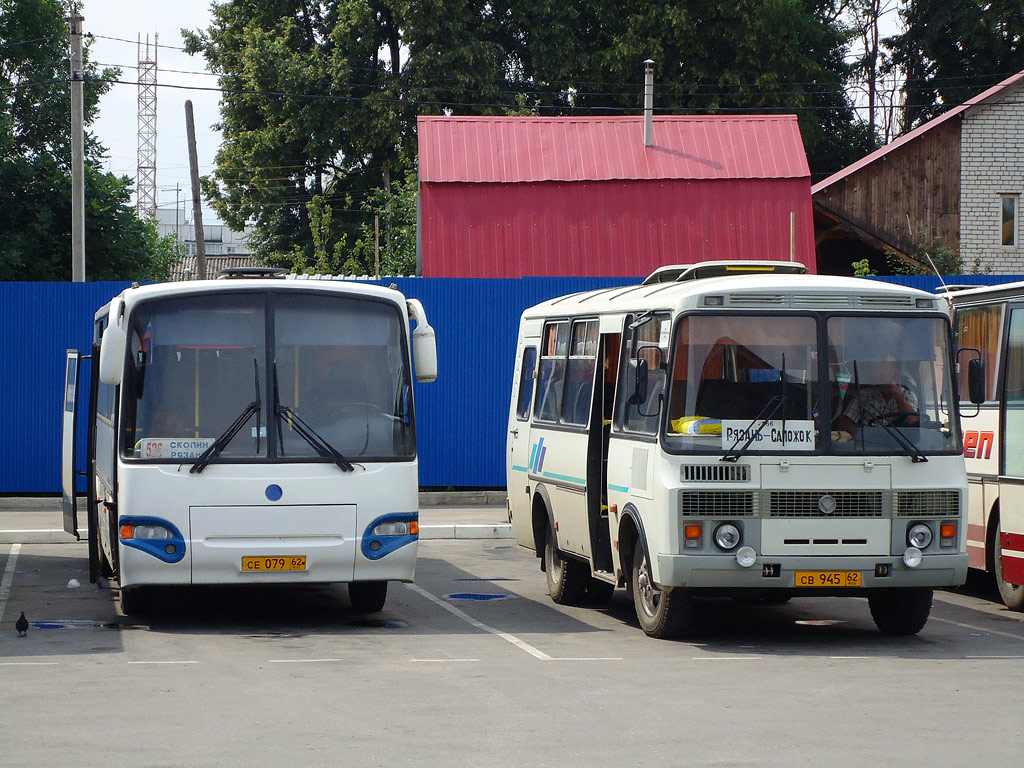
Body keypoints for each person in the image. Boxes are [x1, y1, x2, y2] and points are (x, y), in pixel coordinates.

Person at [833, 357, 919, 440]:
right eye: (877, 374)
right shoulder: (864, 394)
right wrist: (865, 436)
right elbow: (844, 422)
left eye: (883, 374)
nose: (879, 378)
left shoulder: (907, 395)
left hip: (900, 445)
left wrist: (897, 394)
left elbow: (913, 420)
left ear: (895, 375)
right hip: (868, 447)